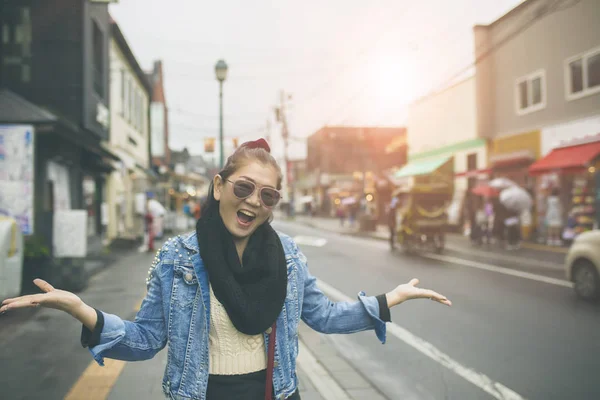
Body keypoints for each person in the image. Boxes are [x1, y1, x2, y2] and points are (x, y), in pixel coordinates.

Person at [0, 139, 451, 400]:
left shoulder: (288, 256)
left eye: (268, 195)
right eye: (244, 187)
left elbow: (324, 316)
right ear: (219, 187)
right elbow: (147, 340)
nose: (255, 200)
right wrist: (84, 311)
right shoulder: (178, 257)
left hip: (276, 392)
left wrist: (388, 301)